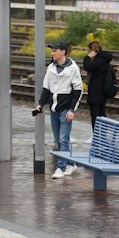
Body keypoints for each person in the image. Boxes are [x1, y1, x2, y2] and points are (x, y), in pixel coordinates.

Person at [40, 45, 85, 178]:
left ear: (63, 52)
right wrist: (40, 104)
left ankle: (61, 168)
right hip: (54, 109)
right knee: (58, 140)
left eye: (55, 50)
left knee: (63, 139)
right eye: (52, 50)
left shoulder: (73, 68)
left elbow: (78, 90)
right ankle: (71, 163)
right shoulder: (51, 67)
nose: (52, 53)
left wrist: (72, 110)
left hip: (65, 110)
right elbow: (46, 88)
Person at [81, 39, 116, 126]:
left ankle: (98, 136)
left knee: (96, 116)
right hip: (102, 92)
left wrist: (87, 57)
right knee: (101, 114)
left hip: (96, 92)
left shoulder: (99, 61)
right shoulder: (104, 60)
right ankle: (101, 135)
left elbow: (87, 66)